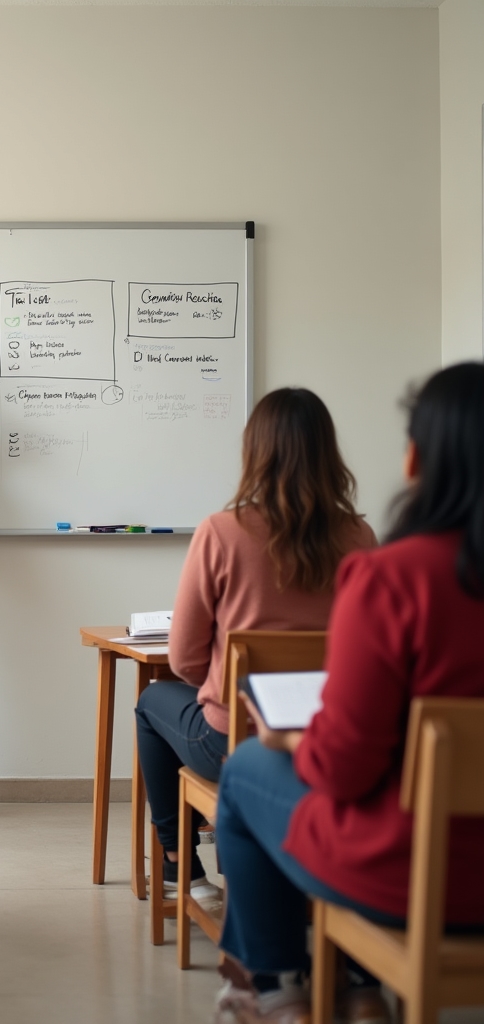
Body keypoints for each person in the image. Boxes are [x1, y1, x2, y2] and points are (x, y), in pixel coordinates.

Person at [214, 363, 484, 1024]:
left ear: (417, 458)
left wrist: (284, 738)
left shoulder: (395, 578)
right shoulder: (359, 543)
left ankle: (277, 988)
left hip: (418, 879)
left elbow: (344, 769)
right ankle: (356, 984)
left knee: (247, 769)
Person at [135, 388, 376, 912]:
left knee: (152, 701)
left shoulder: (223, 531)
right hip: (333, 742)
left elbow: (184, 660)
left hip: (236, 743)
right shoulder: (360, 536)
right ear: (329, 453)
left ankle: (181, 867)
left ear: (255, 453)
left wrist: (221, 682)